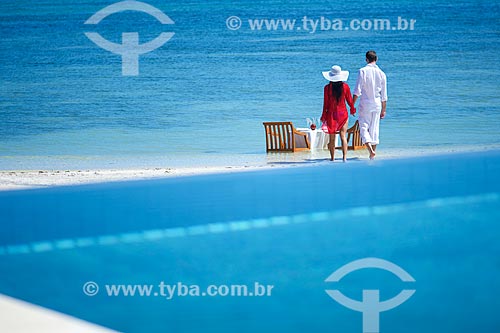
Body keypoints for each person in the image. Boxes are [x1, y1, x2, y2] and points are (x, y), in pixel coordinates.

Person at [353, 50, 387, 160]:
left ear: (366, 59)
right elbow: (384, 95)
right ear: (376, 59)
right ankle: (372, 155)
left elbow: (357, 91)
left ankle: (370, 150)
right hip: (377, 104)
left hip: (365, 103)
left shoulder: (362, 71)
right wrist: (384, 110)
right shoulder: (382, 73)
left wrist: (352, 105)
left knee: (363, 127)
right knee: (375, 128)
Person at [320, 65, 356, 162]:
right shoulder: (345, 87)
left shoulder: (327, 88)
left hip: (331, 114)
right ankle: (344, 158)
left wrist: (323, 115)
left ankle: (332, 158)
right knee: (343, 136)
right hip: (342, 113)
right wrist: (352, 109)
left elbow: (326, 103)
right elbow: (349, 101)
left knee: (332, 138)